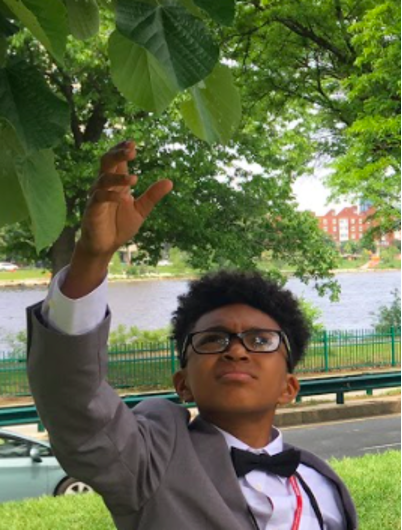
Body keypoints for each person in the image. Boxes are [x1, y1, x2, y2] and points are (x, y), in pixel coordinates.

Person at [27, 141, 358, 530]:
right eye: (213, 340)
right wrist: (91, 257)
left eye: (261, 340)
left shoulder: (322, 483)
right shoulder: (152, 462)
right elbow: (76, 404)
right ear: (182, 384)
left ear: (289, 387)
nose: (236, 351)